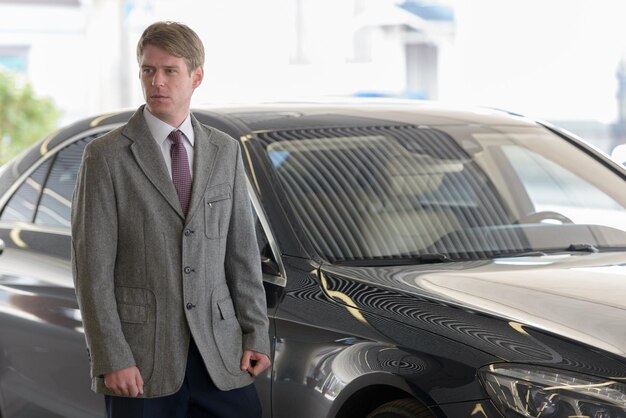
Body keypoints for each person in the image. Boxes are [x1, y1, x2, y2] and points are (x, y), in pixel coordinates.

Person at [71, 21, 271, 418]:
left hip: (221, 354)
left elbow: (242, 254)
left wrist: (257, 334)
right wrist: (112, 356)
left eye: (169, 70)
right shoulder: (106, 157)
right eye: (148, 70)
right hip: (142, 361)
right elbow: (91, 270)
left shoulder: (225, 151)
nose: (156, 82)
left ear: (196, 76)